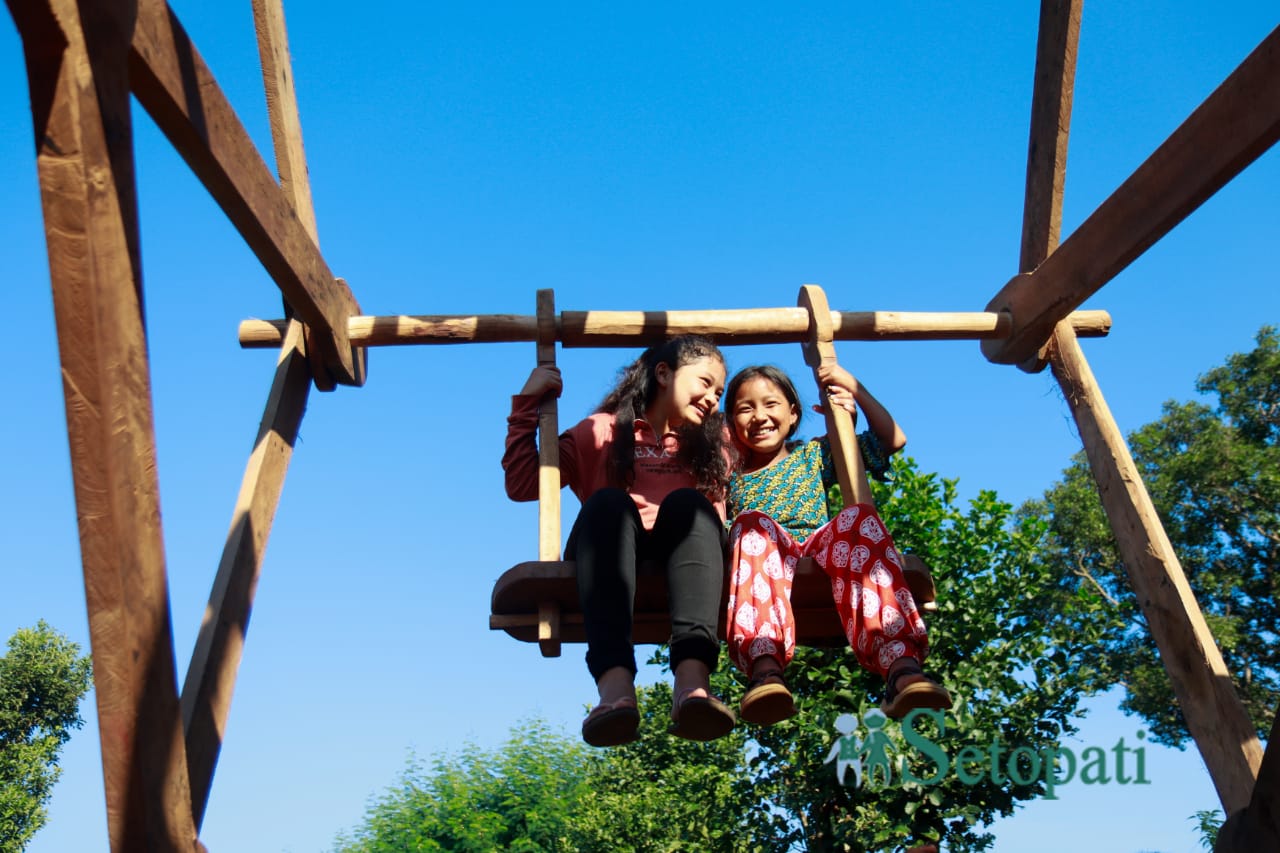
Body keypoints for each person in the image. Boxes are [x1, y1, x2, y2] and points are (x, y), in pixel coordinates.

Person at [503, 335, 738, 747]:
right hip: (609, 550)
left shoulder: (716, 443)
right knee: (609, 503)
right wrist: (526, 402)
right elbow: (524, 483)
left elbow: (779, 459)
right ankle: (615, 691)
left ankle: (692, 686)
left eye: (719, 392)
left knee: (689, 503)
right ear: (663, 373)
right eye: (704, 383)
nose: (713, 399)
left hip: (689, 556)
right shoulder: (601, 432)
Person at [723, 362, 952, 726]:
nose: (759, 416)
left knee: (860, 517)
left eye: (771, 404)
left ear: (793, 412)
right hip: (764, 554)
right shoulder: (728, 476)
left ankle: (901, 666)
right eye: (744, 408)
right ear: (730, 422)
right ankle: (765, 670)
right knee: (752, 523)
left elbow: (892, 440)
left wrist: (853, 389)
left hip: (819, 545)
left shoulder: (814, 454)